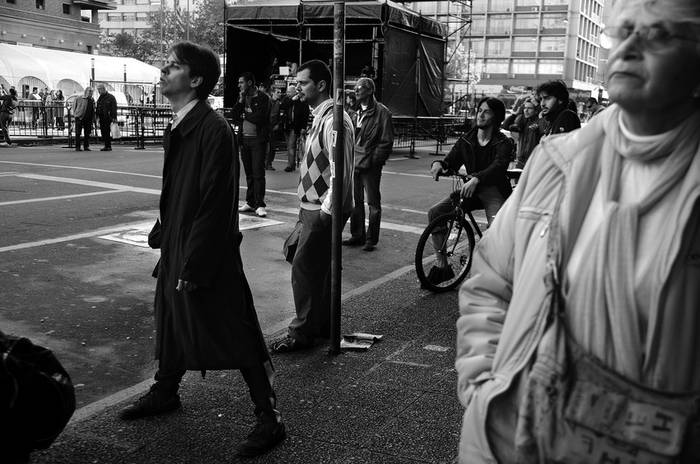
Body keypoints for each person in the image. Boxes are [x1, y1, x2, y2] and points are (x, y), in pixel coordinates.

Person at [455, 0, 700, 462]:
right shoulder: (555, 161)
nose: (628, 47)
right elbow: (490, 281)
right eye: (622, 30)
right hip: (511, 440)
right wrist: (484, 384)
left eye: (660, 33)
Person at [118, 41, 286, 457]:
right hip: (181, 242)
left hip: (207, 252)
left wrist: (194, 261)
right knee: (172, 318)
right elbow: (178, 189)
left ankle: (269, 416)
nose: (163, 71)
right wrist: (164, 227)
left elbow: (216, 204)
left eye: (172, 67)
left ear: (195, 81)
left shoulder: (213, 131)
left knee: (237, 328)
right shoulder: (178, 124)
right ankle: (166, 390)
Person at [270, 59, 355, 353]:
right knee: (314, 266)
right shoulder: (321, 116)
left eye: (303, 82)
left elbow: (339, 171)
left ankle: (302, 332)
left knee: (304, 266)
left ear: (320, 85)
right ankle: (318, 325)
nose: (297, 87)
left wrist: (325, 211)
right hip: (312, 205)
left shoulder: (334, 119)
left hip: (321, 208)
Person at [427, 97, 513, 284]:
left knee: (496, 230)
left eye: (486, 111)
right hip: (470, 189)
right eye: (479, 110)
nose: (480, 115)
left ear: (496, 117)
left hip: (494, 191)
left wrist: (477, 178)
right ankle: (442, 267)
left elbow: (499, 167)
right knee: (436, 213)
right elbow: (451, 160)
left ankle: (499, 274)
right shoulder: (467, 139)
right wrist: (439, 164)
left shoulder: (504, 142)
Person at [343, 77, 394, 252]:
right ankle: (357, 235)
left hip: (370, 166)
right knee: (356, 202)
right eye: (356, 88)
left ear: (370, 90)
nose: (356, 90)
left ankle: (371, 239)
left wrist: (373, 161)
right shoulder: (353, 111)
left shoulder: (382, 113)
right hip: (355, 163)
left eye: (361, 87)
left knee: (373, 204)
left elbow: (386, 142)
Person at [233, 72, 270, 218]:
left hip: (257, 140)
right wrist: (241, 101)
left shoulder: (263, 98)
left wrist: (245, 115)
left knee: (258, 173)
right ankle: (250, 201)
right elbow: (235, 115)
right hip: (244, 140)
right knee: (249, 173)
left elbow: (260, 118)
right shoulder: (243, 98)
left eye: (241, 82)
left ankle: (260, 204)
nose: (239, 85)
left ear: (249, 83)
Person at [508, 97, 545, 168]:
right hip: (520, 160)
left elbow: (543, 128)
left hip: (534, 161)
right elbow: (505, 126)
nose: (526, 110)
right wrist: (515, 114)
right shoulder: (522, 121)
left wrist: (538, 106)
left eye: (529, 108)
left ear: (536, 111)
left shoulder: (540, 121)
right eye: (525, 108)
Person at [280, 85, 310, 172]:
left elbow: (305, 114)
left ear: (294, 92)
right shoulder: (287, 100)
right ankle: (291, 164)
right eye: (287, 92)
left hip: (295, 126)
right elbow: (283, 107)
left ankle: (290, 165)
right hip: (286, 126)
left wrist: (303, 127)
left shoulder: (301, 101)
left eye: (289, 92)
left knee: (291, 145)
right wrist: (292, 100)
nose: (287, 93)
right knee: (289, 146)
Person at [72, 87, 95, 152]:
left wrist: (93, 118)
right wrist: (75, 115)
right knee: (78, 133)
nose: (91, 93)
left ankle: (86, 146)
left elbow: (92, 109)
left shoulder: (92, 99)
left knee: (87, 133)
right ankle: (77, 146)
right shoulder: (79, 98)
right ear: (86, 92)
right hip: (79, 117)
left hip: (88, 118)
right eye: (89, 91)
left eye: (91, 92)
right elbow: (74, 107)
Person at [96, 84, 117, 151]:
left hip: (108, 117)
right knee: (103, 132)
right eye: (98, 90)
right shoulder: (100, 97)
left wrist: (114, 117)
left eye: (99, 90)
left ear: (103, 89)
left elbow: (114, 108)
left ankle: (108, 145)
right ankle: (106, 145)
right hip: (101, 117)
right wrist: (97, 116)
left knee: (107, 132)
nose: (98, 91)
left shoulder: (111, 97)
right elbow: (98, 107)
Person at [266, 86, 283, 171]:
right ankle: (265, 163)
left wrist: (277, 124)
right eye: (278, 92)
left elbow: (278, 115)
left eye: (280, 92)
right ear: (272, 93)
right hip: (266, 126)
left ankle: (269, 163)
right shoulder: (267, 101)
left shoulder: (278, 103)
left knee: (272, 146)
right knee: (266, 146)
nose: (279, 94)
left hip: (273, 126)